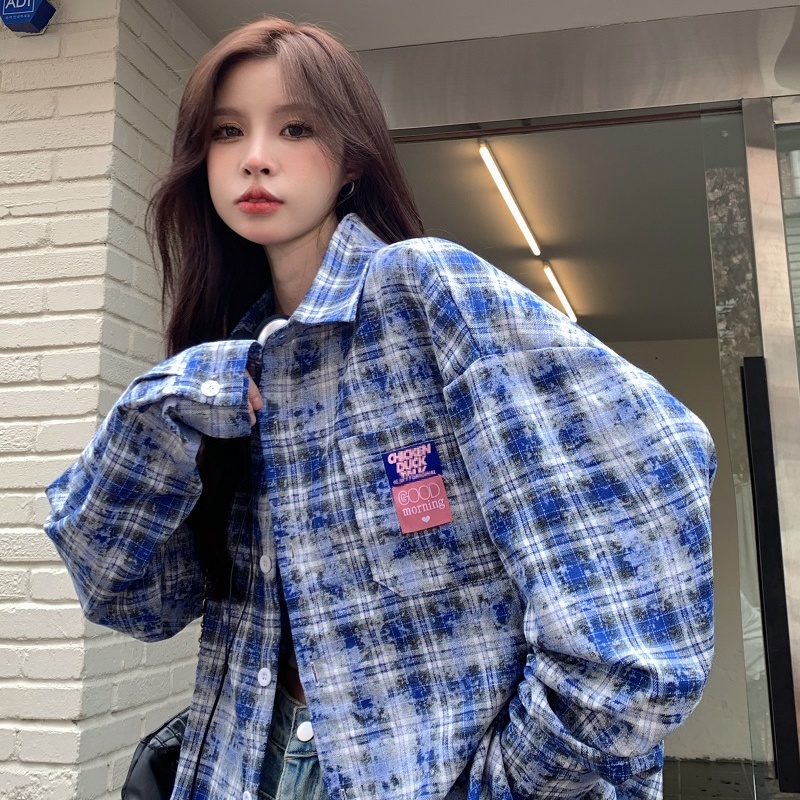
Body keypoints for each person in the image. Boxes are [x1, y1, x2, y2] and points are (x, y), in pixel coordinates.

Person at [44, 17, 716, 800]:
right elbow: (132, 599)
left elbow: (656, 484)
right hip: (247, 764)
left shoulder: (423, 293)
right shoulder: (226, 373)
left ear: (352, 159)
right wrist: (157, 412)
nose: (255, 156)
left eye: (295, 128)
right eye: (227, 132)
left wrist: (517, 779)